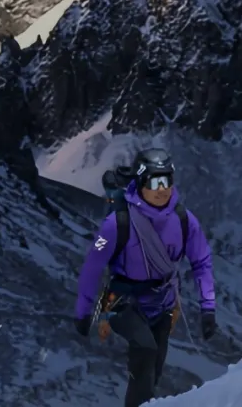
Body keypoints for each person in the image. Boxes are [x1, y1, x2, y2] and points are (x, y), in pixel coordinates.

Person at [74, 149, 216, 407]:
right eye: (154, 182)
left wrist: (208, 308)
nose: (162, 189)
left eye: (167, 180)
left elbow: (201, 262)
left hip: (163, 304)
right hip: (122, 302)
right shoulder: (117, 223)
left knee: (154, 370)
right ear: (140, 182)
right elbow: (93, 265)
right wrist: (83, 311)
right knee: (145, 350)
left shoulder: (184, 220)